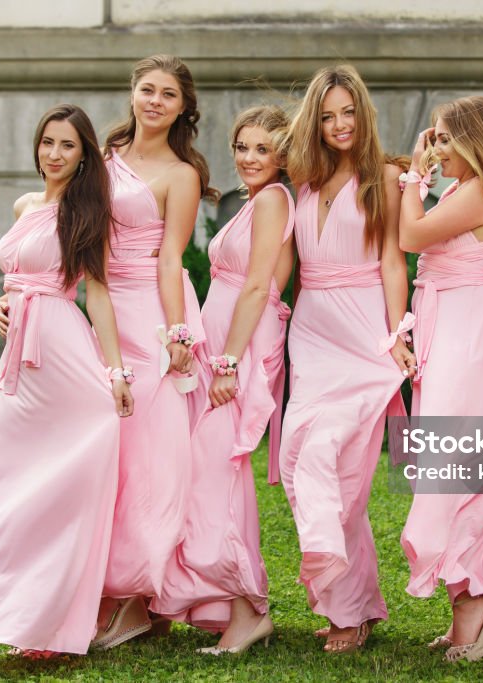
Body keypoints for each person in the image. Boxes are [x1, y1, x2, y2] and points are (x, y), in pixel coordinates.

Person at [0, 54, 215, 649]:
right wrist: (18, 296)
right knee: (101, 455)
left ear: (182, 107)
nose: (155, 101)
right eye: (147, 89)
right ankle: (96, 590)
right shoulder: (102, 154)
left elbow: (173, 259)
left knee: (150, 455)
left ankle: (138, 595)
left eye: (169, 94)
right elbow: (58, 225)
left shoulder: (182, 173)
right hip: (90, 313)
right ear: (132, 93)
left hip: (151, 311)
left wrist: (176, 335)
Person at [0, 104, 134, 658]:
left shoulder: (86, 209)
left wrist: (114, 372)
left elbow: (99, 293)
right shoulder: (25, 205)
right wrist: (2, 299)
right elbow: (17, 275)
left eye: (68, 145)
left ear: (84, 153)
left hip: (62, 355)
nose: (55, 154)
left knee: (59, 488)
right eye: (48, 142)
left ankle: (46, 622)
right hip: (17, 362)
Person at [278, 65, 416, 654]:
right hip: (312, 334)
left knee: (341, 473)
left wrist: (397, 335)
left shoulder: (382, 178)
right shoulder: (302, 184)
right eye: (327, 114)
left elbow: (391, 262)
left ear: (364, 115)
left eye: (348, 113)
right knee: (294, 457)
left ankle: (346, 610)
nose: (338, 124)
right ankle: (354, 599)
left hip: (363, 338)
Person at [153, 105, 295, 655]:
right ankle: (224, 603)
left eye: (263, 148)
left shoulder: (275, 201)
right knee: (209, 475)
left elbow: (259, 286)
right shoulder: (251, 203)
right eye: (243, 146)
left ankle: (247, 610)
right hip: (221, 346)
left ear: (283, 154)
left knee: (222, 472)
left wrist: (231, 363)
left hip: (243, 349)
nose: (250, 157)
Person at [397, 96, 483, 663]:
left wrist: (411, 175)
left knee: (458, 471)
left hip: (465, 335)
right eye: (436, 139)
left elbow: (410, 237)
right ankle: (473, 611)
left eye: (447, 139)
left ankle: (477, 612)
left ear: (473, 141)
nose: (439, 148)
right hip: (443, 325)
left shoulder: (479, 191)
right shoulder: (461, 188)